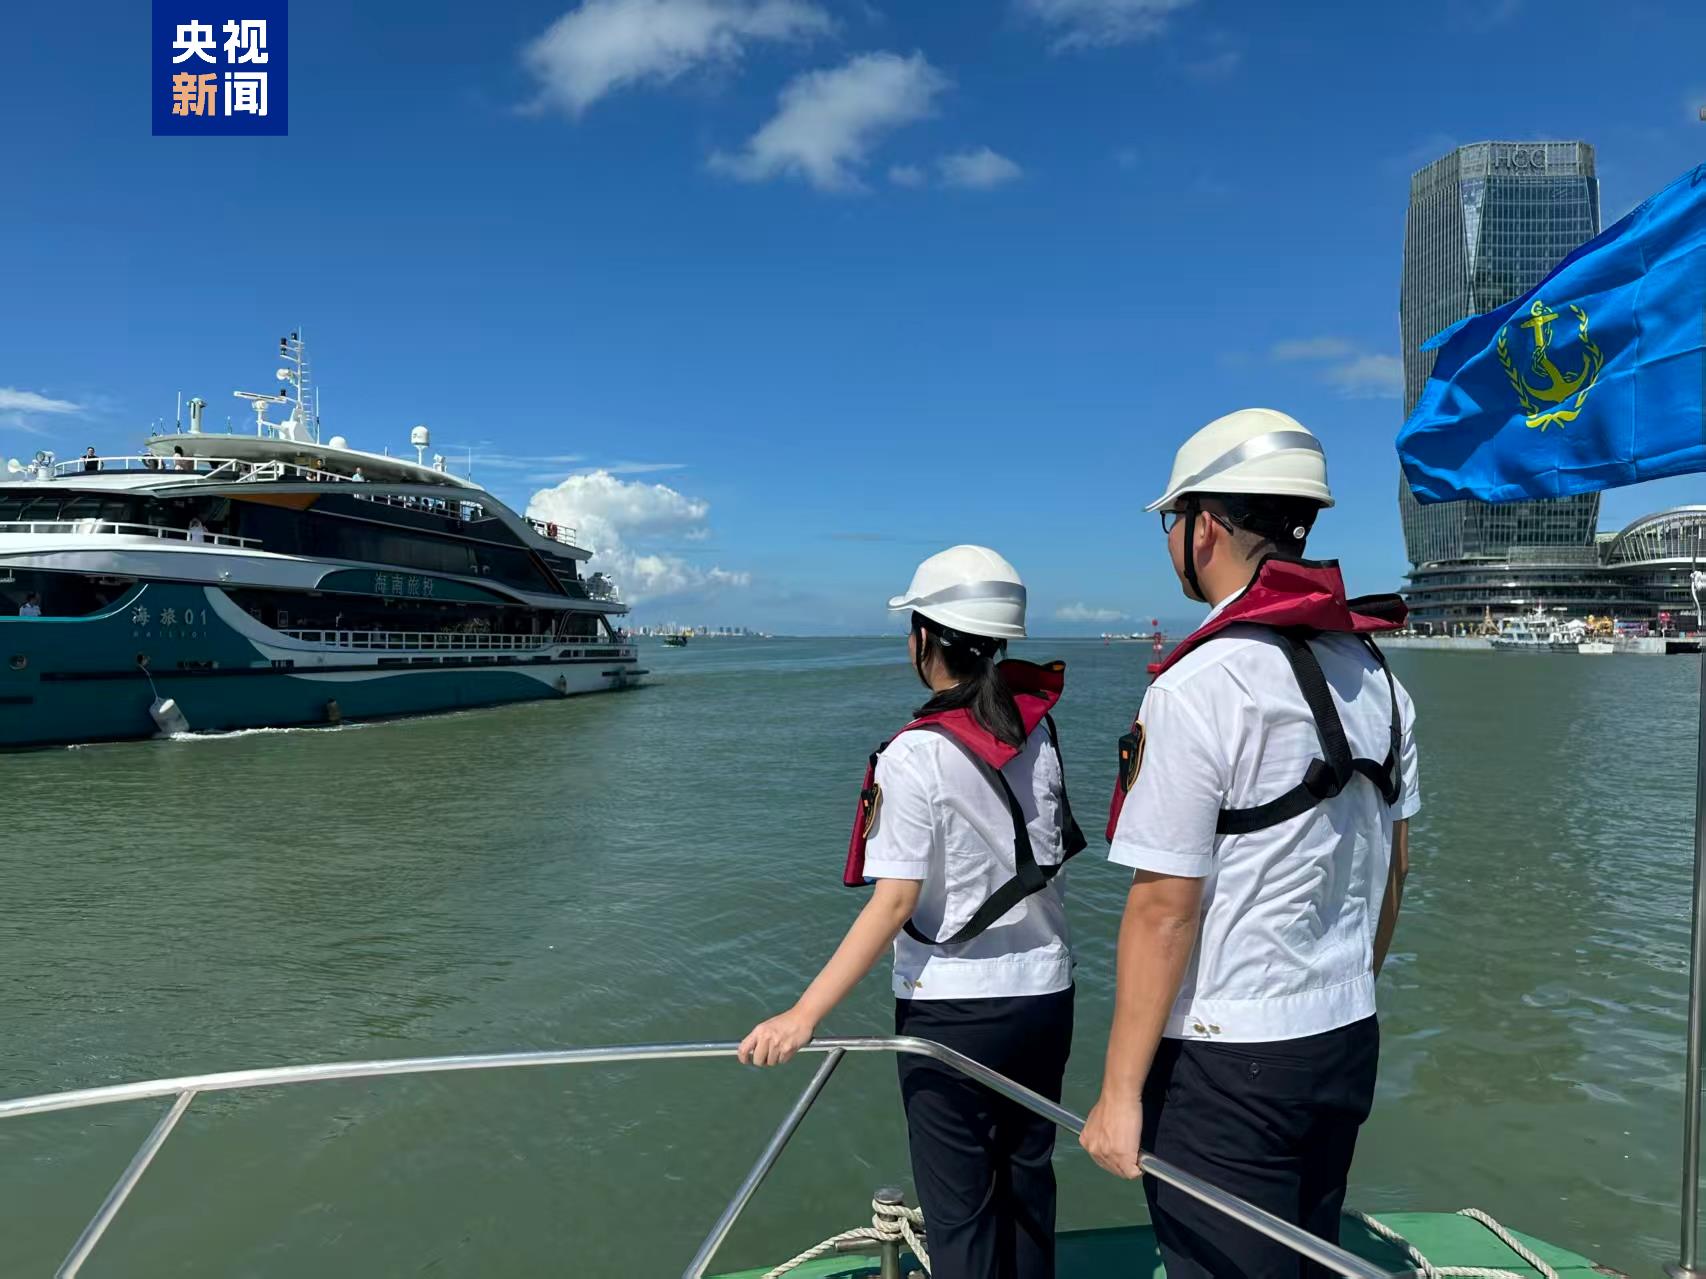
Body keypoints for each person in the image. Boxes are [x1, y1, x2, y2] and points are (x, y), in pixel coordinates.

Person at [1079, 409, 1419, 1278]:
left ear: (1205, 528)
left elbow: (1163, 909)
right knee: (1311, 1254)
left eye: (1172, 519)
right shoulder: (1378, 676)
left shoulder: (1198, 686)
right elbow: (1394, 867)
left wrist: (1118, 1094)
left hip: (1228, 1063)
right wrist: (1344, 986)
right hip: (1345, 1035)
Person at [740, 545, 1085, 1279]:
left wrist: (803, 1014)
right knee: (1028, 1185)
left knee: (961, 1210)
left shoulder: (913, 754)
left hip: (953, 1012)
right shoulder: (1037, 730)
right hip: (1046, 995)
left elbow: (895, 900)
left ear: (926, 639)